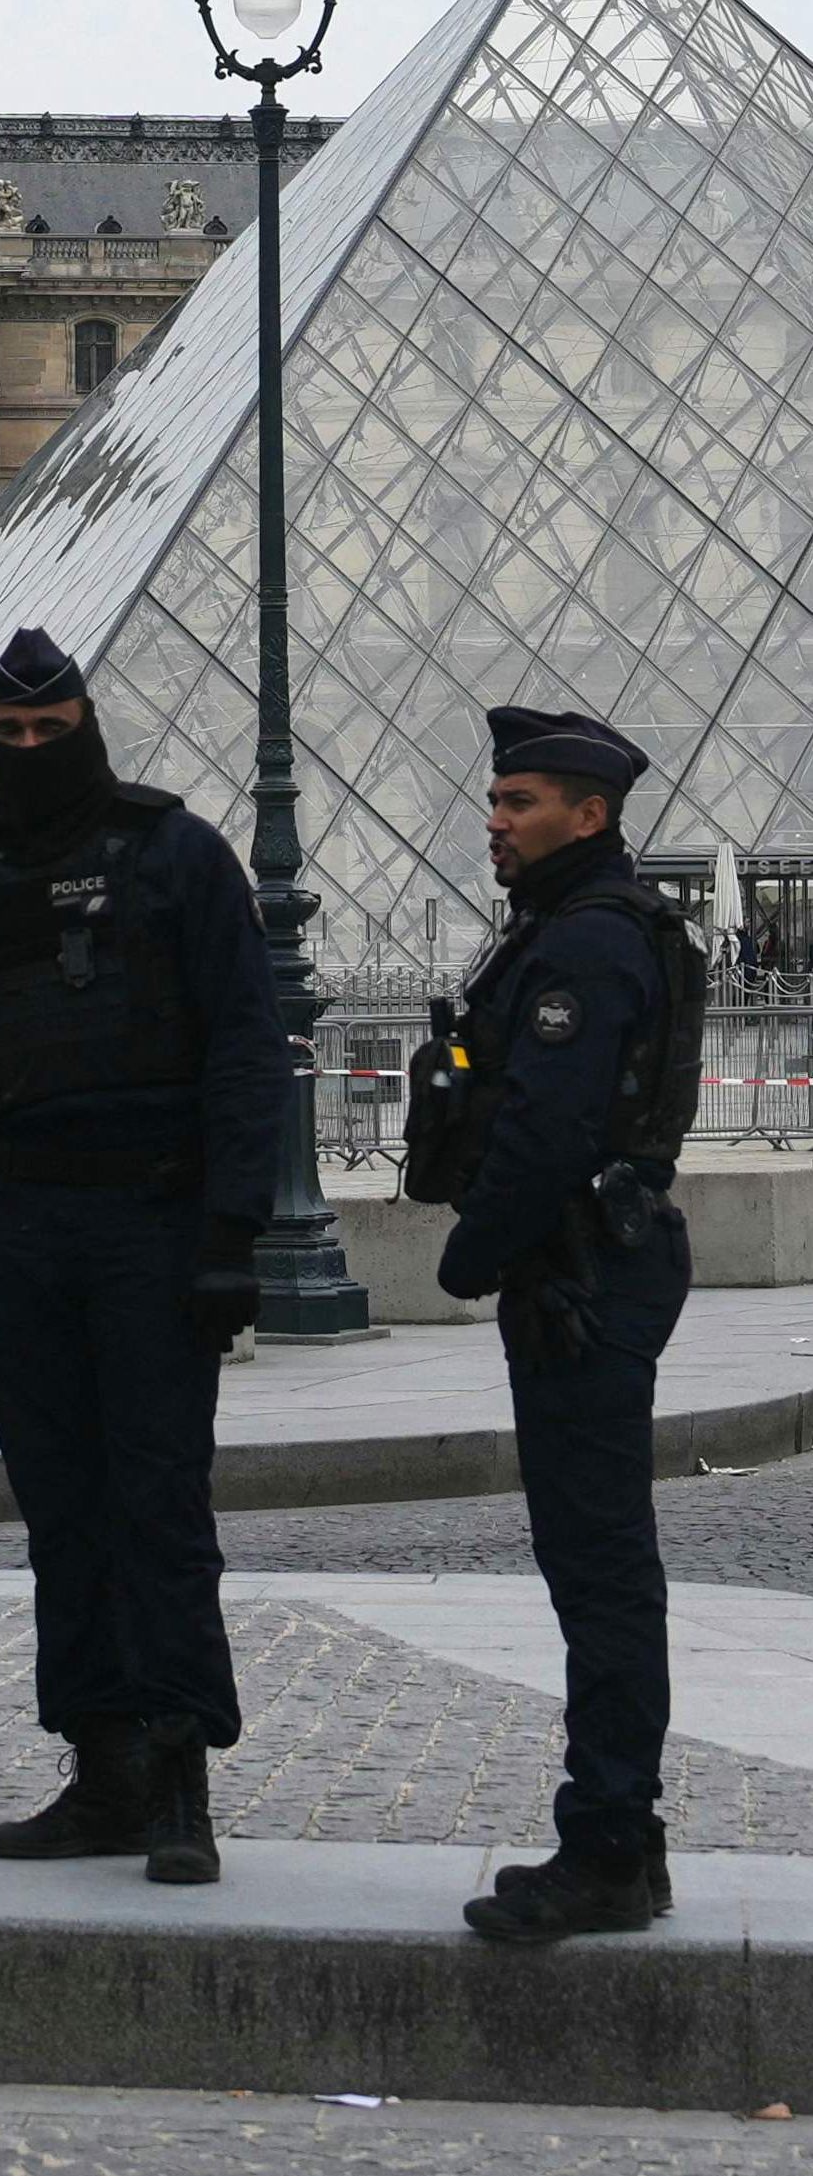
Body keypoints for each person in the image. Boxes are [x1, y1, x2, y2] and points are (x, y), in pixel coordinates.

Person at [0, 628, 291, 1886]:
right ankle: (100, 1764)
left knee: (158, 1504)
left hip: (154, 1227)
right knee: (61, 1511)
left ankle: (179, 1774)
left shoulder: (180, 855)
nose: (28, 754)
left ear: (87, 728)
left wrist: (233, 1241)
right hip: (20, 1228)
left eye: (48, 735)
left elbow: (243, 1051)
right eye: (6, 740)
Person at [411, 707, 703, 1945]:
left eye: (519, 802)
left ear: (589, 816)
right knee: (597, 1567)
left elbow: (547, 1130)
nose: (495, 820)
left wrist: (467, 1258)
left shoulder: (583, 945)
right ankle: (622, 1841)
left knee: (598, 1573)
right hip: (594, 1264)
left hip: (579, 1274)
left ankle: (608, 1847)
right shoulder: (581, 927)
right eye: (494, 800)